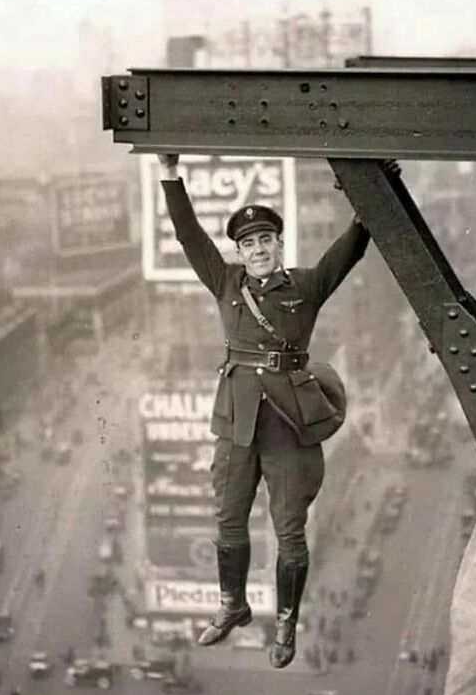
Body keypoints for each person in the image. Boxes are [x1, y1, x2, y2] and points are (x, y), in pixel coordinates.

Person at [158, 153, 372, 668]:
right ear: (240, 251)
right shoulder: (225, 282)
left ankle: (286, 625)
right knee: (228, 519)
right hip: (236, 423)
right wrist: (170, 174)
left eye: (264, 241)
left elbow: (351, 248)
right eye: (247, 243)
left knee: (288, 530)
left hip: (289, 425)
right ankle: (233, 606)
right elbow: (189, 236)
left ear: (280, 245)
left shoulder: (306, 285)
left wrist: (371, 195)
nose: (256, 250)